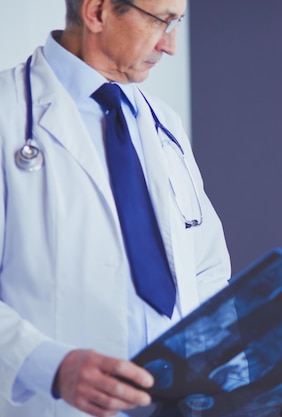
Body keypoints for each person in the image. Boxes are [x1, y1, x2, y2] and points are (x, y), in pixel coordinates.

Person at [0, 1, 231, 416]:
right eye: (162, 20)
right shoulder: (7, 113)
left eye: (178, 23)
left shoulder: (164, 123)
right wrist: (51, 367)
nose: (171, 45)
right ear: (98, 13)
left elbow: (206, 266)